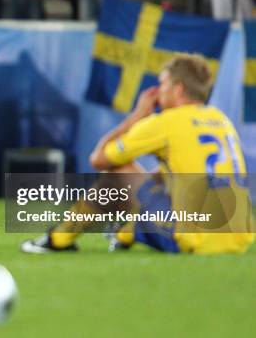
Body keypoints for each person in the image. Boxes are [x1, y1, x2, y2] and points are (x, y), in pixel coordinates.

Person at [21, 54, 254, 254]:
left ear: (178, 89)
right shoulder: (221, 120)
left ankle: (59, 239)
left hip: (197, 239)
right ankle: (125, 233)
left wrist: (136, 115)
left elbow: (99, 159)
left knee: (116, 174)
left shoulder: (166, 122)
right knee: (162, 177)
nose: (158, 92)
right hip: (238, 236)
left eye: (162, 85)